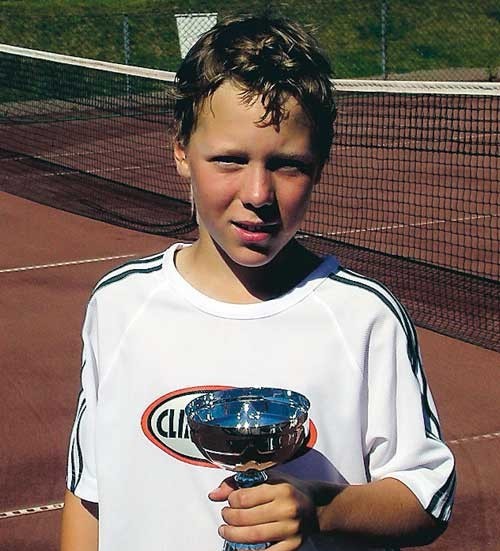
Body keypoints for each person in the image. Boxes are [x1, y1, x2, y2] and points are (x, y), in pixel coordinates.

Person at [60, 13, 455, 551]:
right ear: (181, 150)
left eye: (288, 165)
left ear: (320, 164)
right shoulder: (119, 305)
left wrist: (321, 508)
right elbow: (90, 495)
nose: (258, 193)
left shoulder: (364, 317)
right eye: (229, 159)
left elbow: (426, 499)